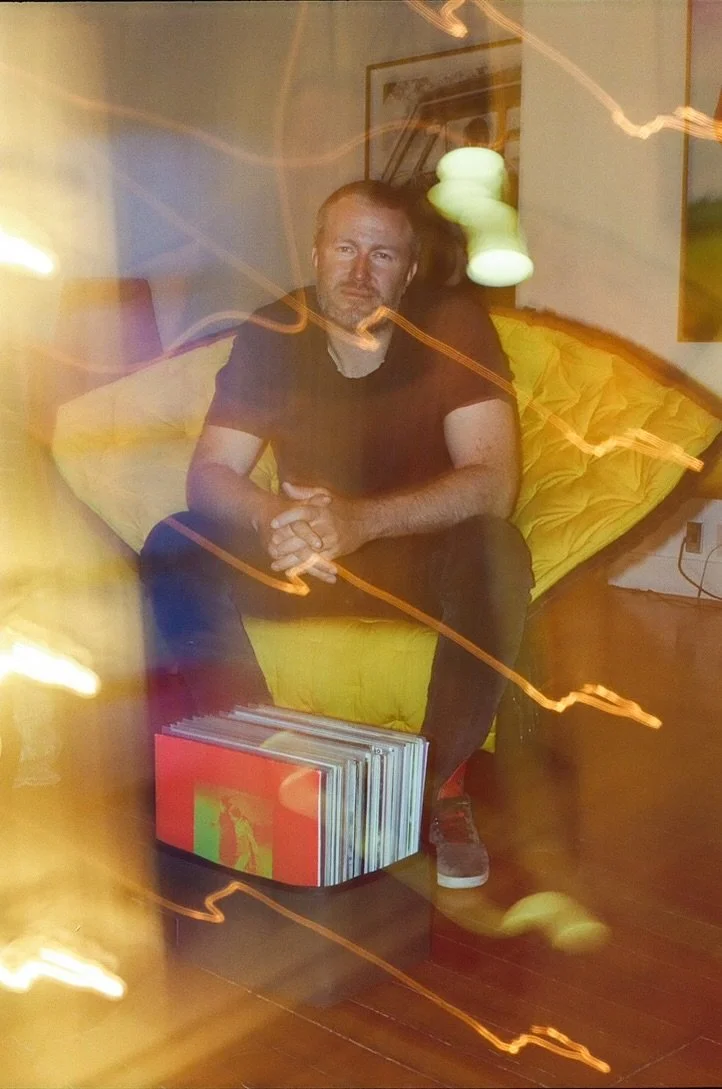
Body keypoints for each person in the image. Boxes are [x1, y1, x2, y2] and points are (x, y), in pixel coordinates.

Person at [141, 180, 534, 890]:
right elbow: (211, 473)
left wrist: (358, 520)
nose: (359, 273)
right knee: (175, 543)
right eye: (345, 248)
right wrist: (268, 515)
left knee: (496, 551)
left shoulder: (452, 324)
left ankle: (430, 791)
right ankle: (255, 755)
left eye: (382, 255)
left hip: (407, 557)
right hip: (299, 555)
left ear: (411, 270)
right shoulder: (273, 329)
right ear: (317, 253)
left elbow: (493, 481)